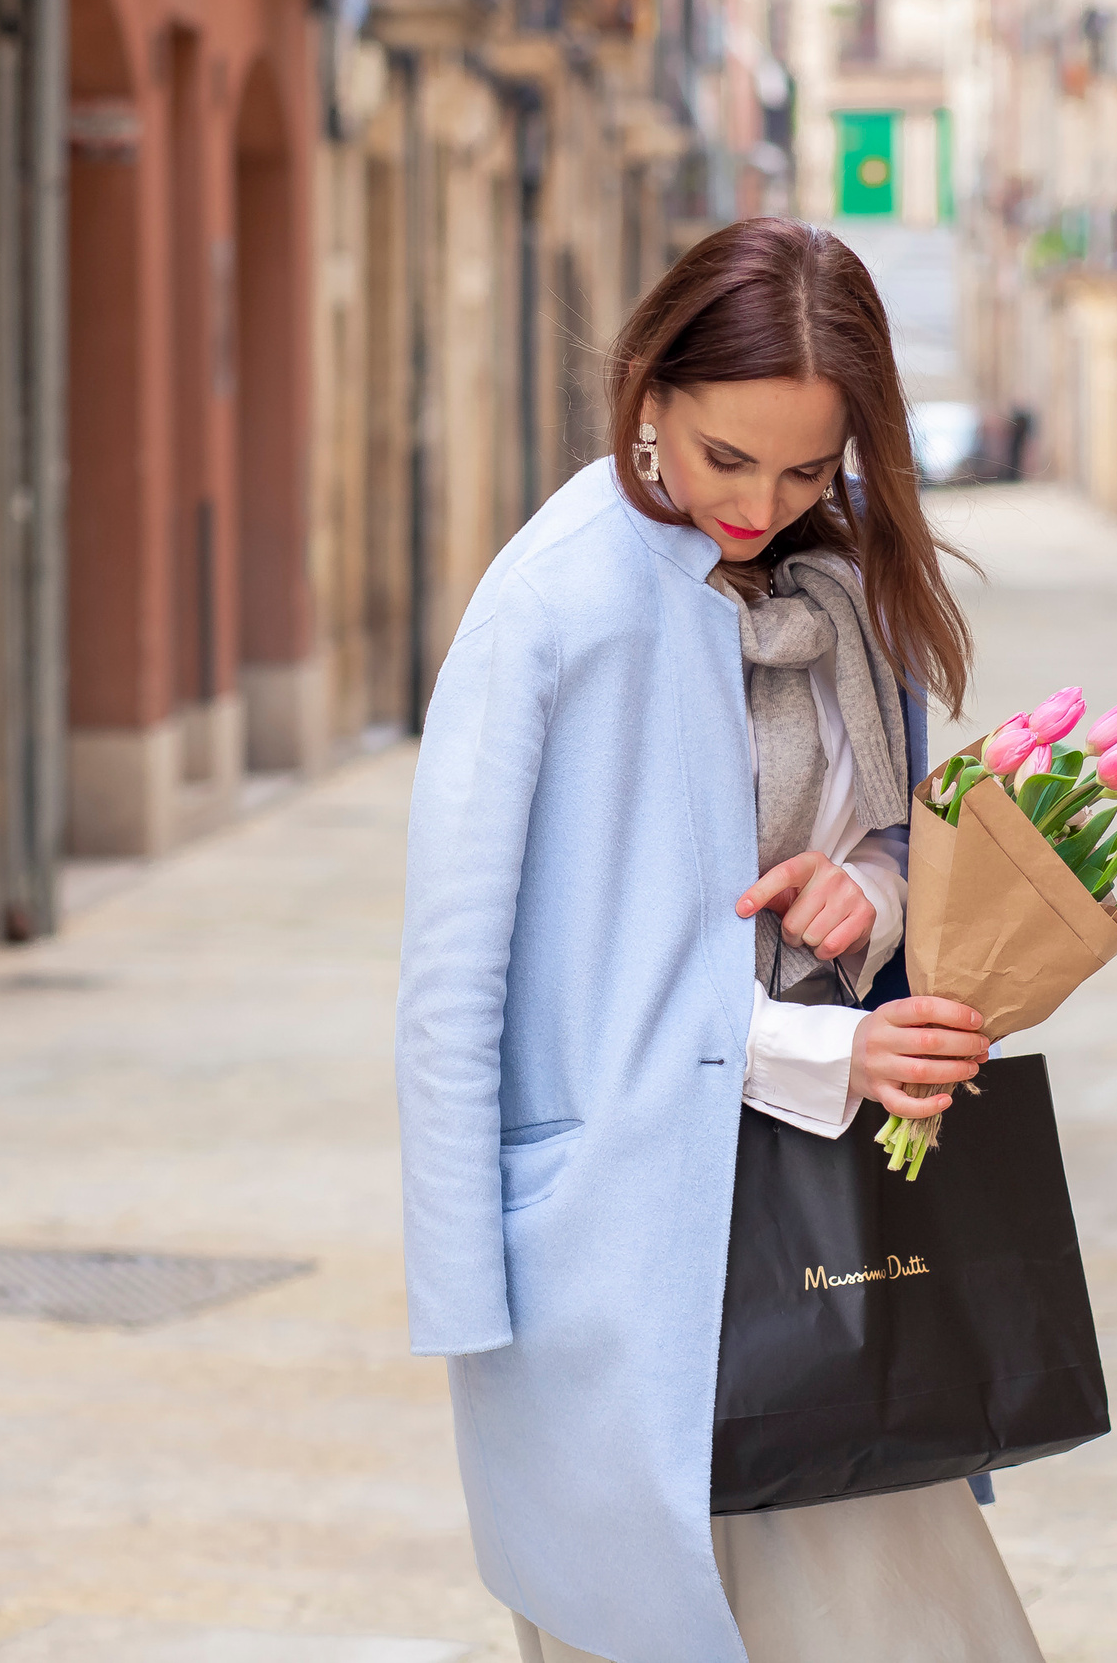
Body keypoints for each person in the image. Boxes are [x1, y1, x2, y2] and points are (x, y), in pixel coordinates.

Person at [394, 218, 1047, 1662]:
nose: (760, 504)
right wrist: (463, 1285)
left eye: (809, 469)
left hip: (832, 1224)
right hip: (624, 1242)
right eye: (725, 457)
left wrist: (867, 890)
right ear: (649, 393)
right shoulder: (556, 600)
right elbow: (470, 970)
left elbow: (892, 836)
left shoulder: (841, 587)